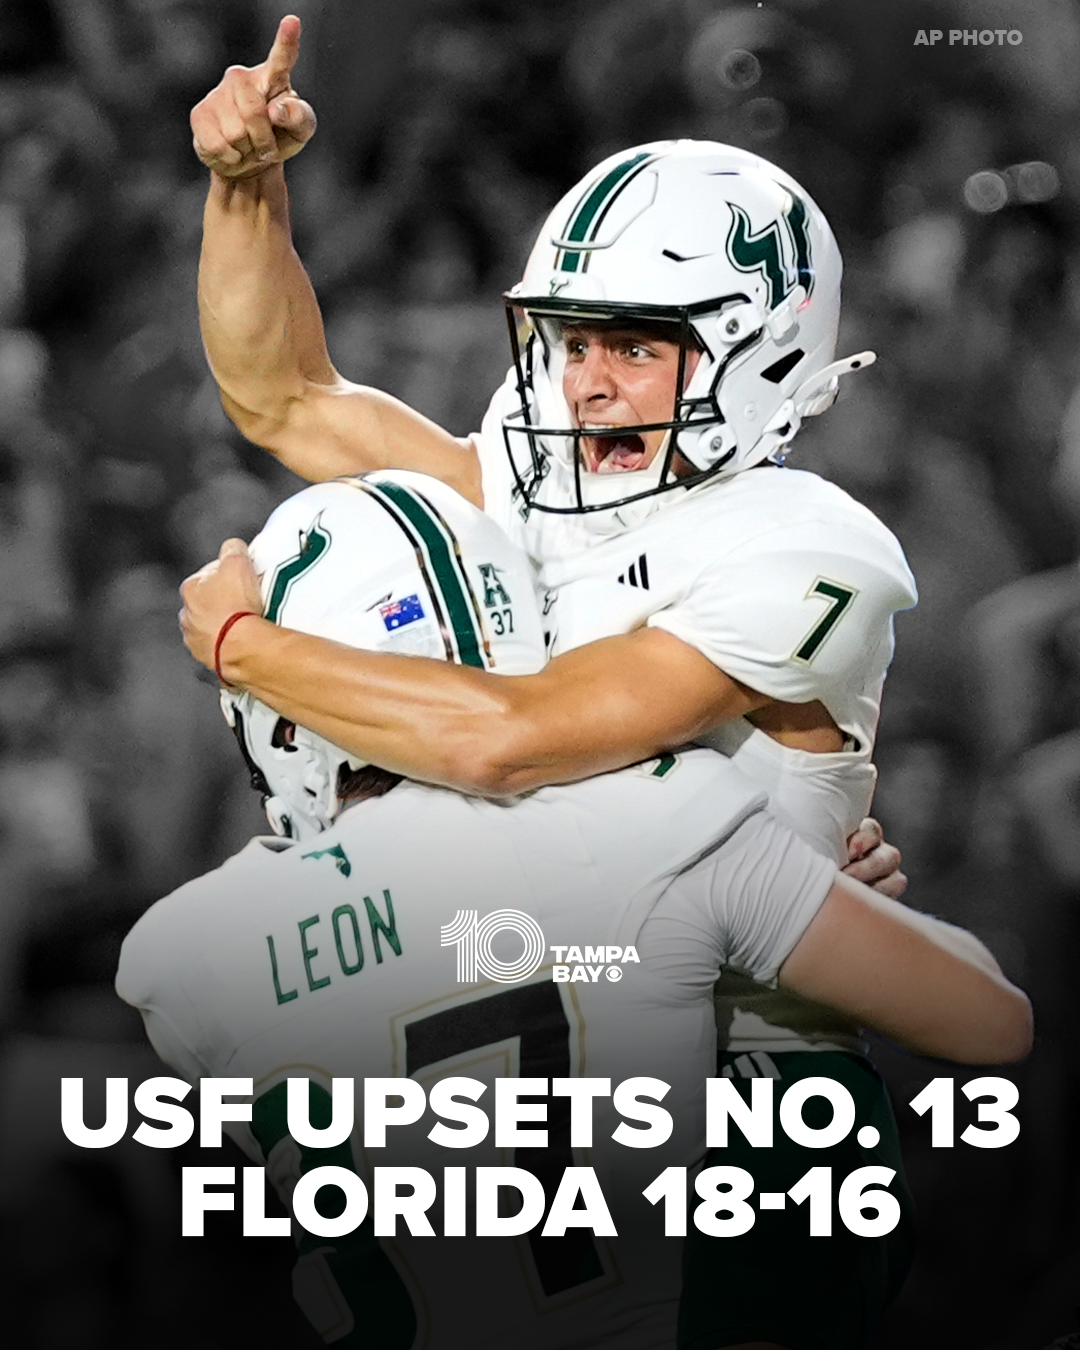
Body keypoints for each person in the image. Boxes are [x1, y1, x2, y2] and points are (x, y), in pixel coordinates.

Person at [180, 17, 922, 1349]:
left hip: (740, 1128)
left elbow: (513, 744)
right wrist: (247, 188)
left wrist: (248, 651)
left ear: (760, 354)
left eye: (632, 346)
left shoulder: (804, 548)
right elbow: (287, 398)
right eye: (571, 340)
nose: (582, 386)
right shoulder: (558, 491)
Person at [121, 472, 1029, 1350]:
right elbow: (989, 1024)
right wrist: (775, 949)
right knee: (798, 1091)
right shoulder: (656, 816)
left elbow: (466, 950)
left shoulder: (181, 956)